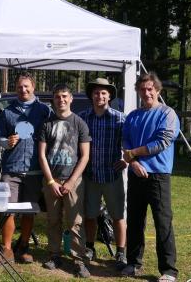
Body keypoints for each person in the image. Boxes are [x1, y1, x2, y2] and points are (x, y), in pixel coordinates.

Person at [0, 71, 52, 266]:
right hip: (12, 169)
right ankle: (6, 250)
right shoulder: (7, 112)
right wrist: (7, 142)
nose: (23, 90)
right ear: (15, 88)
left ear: (33, 87)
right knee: (7, 209)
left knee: (29, 210)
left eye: (26, 86)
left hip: (35, 170)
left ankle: (24, 246)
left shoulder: (44, 111)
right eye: (19, 87)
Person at [121, 72, 179, 282]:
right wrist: (133, 163)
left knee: (163, 223)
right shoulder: (133, 116)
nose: (146, 93)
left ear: (157, 90)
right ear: (138, 91)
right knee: (135, 221)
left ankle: (169, 270)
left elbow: (162, 142)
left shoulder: (167, 114)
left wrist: (134, 154)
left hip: (159, 176)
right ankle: (133, 263)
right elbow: (125, 141)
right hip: (136, 175)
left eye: (150, 89)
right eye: (142, 89)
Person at [38, 83, 91, 278]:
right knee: (53, 220)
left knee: (75, 221)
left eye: (64, 96)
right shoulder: (46, 124)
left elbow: (85, 156)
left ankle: (78, 260)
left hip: (74, 181)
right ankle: (54, 254)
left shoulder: (80, 123)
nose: (61, 100)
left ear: (71, 99)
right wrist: (51, 182)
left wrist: (70, 182)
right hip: (51, 180)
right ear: (53, 99)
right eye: (57, 96)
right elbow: (42, 155)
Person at [78, 77, 128, 270]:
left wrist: (126, 159)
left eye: (104, 93)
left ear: (109, 96)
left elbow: (129, 143)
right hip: (90, 176)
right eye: (96, 92)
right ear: (91, 95)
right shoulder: (83, 118)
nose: (100, 96)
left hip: (112, 176)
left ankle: (121, 252)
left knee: (117, 216)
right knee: (90, 215)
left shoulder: (120, 118)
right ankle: (90, 248)